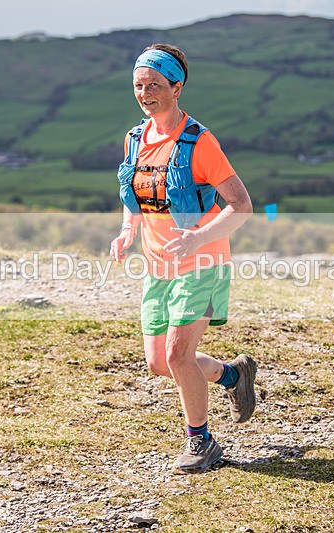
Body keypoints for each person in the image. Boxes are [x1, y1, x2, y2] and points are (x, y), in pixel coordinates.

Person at [109, 43, 257, 474]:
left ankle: (202, 441)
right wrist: (126, 230)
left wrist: (197, 238)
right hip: (158, 266)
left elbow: (241, 205)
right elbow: (134, 195)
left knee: (178, 356)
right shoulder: (135, 138)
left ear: (177, 87)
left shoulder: (200, 142)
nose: (144, 91)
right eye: (138, 84)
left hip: (203, 263)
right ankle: (233, 376)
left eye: (154, 84)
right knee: (160, 363)